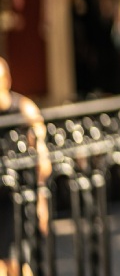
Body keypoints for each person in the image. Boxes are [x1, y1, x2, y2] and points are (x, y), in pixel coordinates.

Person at [0, 57, 52, 276]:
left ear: (7, 80)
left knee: (17, 263)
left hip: (17, 198)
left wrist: (41, 201)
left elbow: (43, 160)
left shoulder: (24, 109)